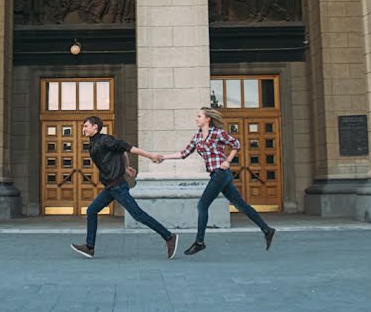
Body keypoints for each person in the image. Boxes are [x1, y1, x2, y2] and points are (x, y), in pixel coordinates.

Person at [160, 107, 275, 255]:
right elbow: (184, 154)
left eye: (199, 116)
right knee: (241, 205)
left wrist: (228, 160)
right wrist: (164, 157)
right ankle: (267, 230)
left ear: (207, 119)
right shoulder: (197, 137)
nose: (196, 118)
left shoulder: (217, 133)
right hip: (217, 175)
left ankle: (199, 242)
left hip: (221, 173)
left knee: (202, 205)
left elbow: (236, 144)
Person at [70, 116, 179, 259]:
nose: (83, 129)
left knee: (138, 215)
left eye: (86, 126)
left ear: (95, 127)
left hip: (118, 187)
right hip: (111, 187)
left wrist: (150, 155)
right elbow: (121, 152)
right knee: (91, 211)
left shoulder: (106, 140)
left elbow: (128, 148)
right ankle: (89, 247)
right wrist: (126, 167)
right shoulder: (94, 143)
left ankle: (169, 236)